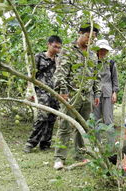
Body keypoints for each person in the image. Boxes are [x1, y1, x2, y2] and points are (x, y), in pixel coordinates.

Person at [53, 23, 101, 170]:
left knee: (84, 126)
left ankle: (81, 154)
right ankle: (59, 157)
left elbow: (95, 75)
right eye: (88, 36)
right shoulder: (68, 49)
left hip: (87, 96)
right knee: (65, 125)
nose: (90, 41)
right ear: (80, 33)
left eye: (93, 38)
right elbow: (61, 72)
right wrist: (62, 91)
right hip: (71, 94)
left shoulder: (92, 53)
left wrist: (97, 92)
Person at [23, 35, 62, 153]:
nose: (57, 49)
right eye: (55, 47)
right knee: (42, 116)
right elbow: (31, 75)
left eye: (59, 48)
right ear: (48, 44)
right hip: (41, 91)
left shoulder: (59, 59)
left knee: (51, 118)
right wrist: (29, 91)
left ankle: (45, 143)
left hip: (55, 93)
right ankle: (31, 143)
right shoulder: (39, 57)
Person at [93, 39, 119, 145]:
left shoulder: (111, 63)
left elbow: (115, 79)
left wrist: (115, 92)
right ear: (97, 50)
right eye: (101, 49)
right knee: (95, 120)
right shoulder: (92, 62)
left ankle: (111, 144)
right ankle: (97, 145)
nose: (103, 51)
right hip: (95, 94)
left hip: (108, 93)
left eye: (105, 50)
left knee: (108, 120)